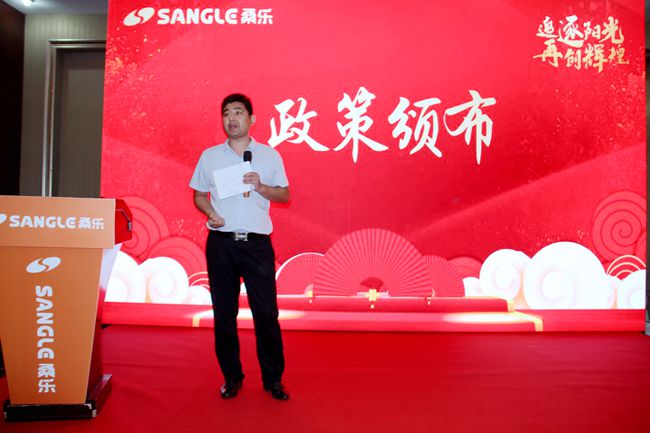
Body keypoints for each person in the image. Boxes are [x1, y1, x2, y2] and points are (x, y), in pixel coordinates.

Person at [190, 93, 290, 400]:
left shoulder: (269, 156)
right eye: (226, 114)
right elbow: (199, 195)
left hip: (257, 245)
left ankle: (273, 379)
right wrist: (211, 213)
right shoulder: (210, 156)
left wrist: (261, 187)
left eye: (238, 112)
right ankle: (232, 377)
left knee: (266, 313)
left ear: (251, 119)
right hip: (222, 244)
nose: (231, 119)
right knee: (224, 313)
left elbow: (285, 195)